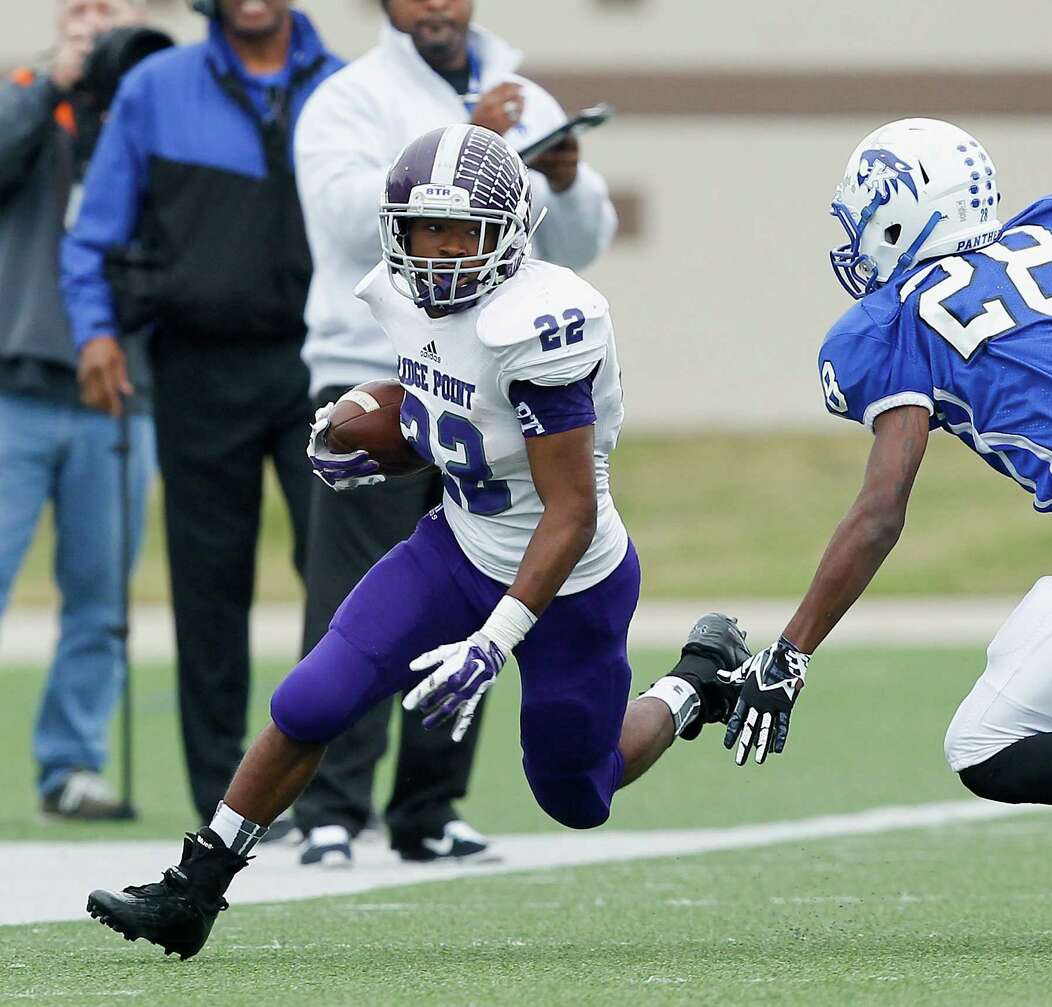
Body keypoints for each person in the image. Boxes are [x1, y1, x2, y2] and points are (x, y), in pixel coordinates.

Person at [85, 124, 746, 960]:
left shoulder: (541, 325)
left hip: (568, 579)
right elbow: (437, 380)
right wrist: (373, 429)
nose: (438, 253)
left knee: (578, 794)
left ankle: (693, 682)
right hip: (455, 547)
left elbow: (569, 508)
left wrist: (494, 641)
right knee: (310, 700)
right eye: (423, 230)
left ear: (508, 232)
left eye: (460, 231)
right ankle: (193, 890)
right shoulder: (404, 297)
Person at [720, 117, 1052, 938]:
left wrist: (791, 649)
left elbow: (880, 512)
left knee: (985, 743)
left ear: (905, 214)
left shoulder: (893, 322)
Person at [291, 0, 618, 866]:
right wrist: (463, 144)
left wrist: (570, 178)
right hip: (379, 367)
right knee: (364, 592)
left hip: (499, 383)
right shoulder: (349, 95)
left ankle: (429, 805)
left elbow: (580, 244)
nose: (437, 3)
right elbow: (336, 221)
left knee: (480, 573)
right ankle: (331, 805)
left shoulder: (524, 91)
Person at [60, 0, 341, 825]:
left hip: (320, 365)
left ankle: (329, 796)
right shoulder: (154, 86)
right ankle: (228, 801)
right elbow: (94, 232)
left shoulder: (345, 87)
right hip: (196, 365)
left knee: (337, 580)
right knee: (209, 589)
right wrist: (95, 332)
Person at [0, 0, 156, 820]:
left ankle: (72, 765)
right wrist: (54, 81)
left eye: (113, 7)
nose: (97, 20)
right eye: (82, 7)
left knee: (101, 594)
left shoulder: (156, 97)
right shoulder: (25, 89)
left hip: (120, 394)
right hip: (14, 385)